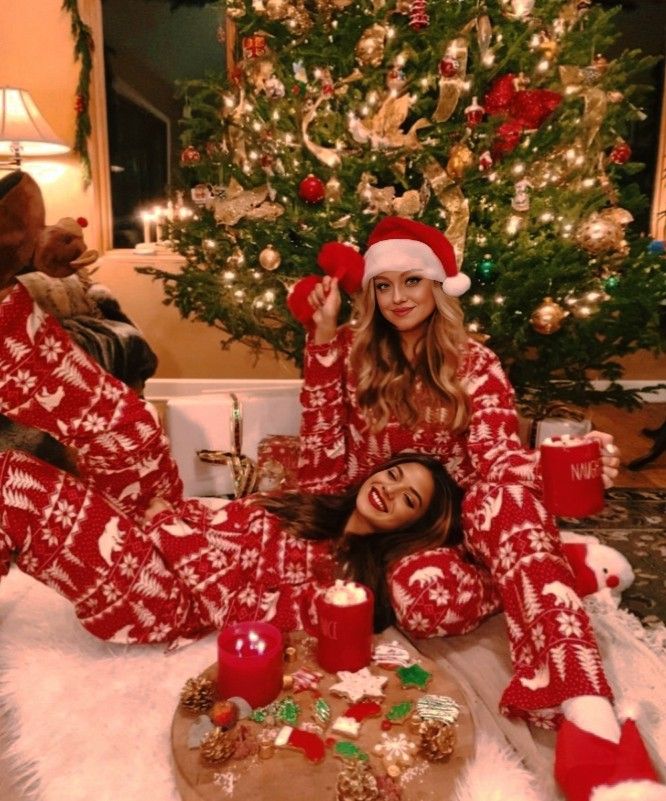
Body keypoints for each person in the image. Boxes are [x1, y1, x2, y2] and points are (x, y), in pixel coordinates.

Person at [290, 215, 660, 801]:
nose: (396, 299)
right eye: (383, 286)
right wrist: (322, 339)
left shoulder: (475, 362)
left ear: (438, 286)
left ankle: (590, 710)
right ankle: (551, 565)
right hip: (396, 532)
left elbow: (495, 457)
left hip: (465, 521)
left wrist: (552, 467)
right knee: (419, 603)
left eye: (411, 281)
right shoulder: (357, 359)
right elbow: (320, 465)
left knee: (502, 497)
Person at [0, 279, 472, 647]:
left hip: (162, 596)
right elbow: (323, 418)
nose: (388, 490)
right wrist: (325, 334)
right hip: (163, 520)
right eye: (393, 474)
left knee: (20, 485)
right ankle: (5, 311)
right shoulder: (320, 499)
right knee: (132, 423)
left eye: (408, 498)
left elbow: (238, 607)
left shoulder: (345, 588)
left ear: (413, 527)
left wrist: (169, 530)